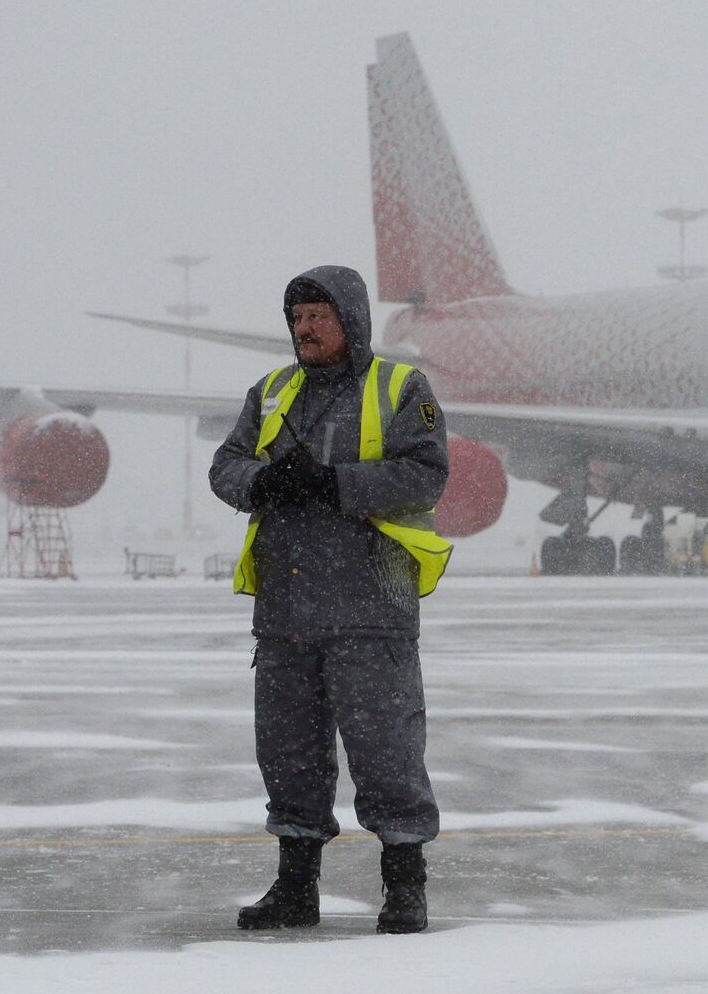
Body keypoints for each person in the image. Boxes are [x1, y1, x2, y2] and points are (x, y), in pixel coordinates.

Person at [209, 264, 451, 934]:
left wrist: (333, 484)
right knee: (286, 752)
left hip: (371, 603)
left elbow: (427, 473)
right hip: (286, 610)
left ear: (351, 319)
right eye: (297, 318)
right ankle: (295, 887)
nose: (304, 329)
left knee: (386, 752)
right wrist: (263, 484)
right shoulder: (271, 391)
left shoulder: (404, 387)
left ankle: (405, 887)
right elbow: (225, 465)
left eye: (318, 316)